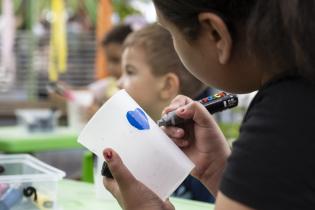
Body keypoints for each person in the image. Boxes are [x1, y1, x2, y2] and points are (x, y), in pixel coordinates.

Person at [102, 1, 315, 210]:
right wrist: (218, 171)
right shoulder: (296, 93)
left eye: (171, 34)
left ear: (215, 33)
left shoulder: (282, 121)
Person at [117, 23, 214, 202]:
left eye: (130, 72)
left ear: (167, 85)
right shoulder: (134, 142)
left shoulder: (198, 151)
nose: (119, 83)